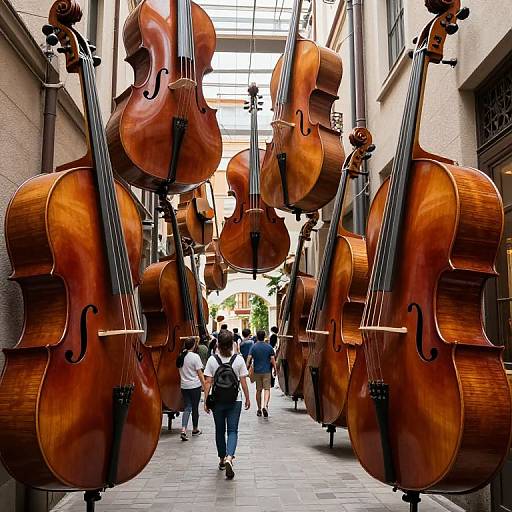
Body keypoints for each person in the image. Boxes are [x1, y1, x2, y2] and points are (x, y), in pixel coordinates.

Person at [204, 330, 250, 480]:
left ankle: (222, 459)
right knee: (232, 431)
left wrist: (206, 401)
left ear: (218, 344)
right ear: (232, 344)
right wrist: (248, 398)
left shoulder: (212, 360)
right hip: (234, 400)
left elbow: (208, 382)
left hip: (217, 401)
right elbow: (243, 382)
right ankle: (230, 456)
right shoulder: (238, 360)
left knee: (219, 430)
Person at [177, 338, 205, 441]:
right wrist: (204, 385)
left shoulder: (180, 357)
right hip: (195, 386)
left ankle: (183, 429)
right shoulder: (195, 357)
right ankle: (195, 429)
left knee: (187, 407)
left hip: (184, 386)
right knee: (195, 408)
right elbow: (200, 373)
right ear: (193, 346)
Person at [247, 330, 277, 418]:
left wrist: (246, 367)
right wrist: (275, 368)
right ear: (264, 336)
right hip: (266, 371)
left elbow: (249, 358)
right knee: (267, 389)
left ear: (257, 336)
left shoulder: (253, 347)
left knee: (258, 390)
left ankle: (259, 409)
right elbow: (272, 359)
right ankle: (265, 406)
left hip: (257, 371)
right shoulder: (269, 347)